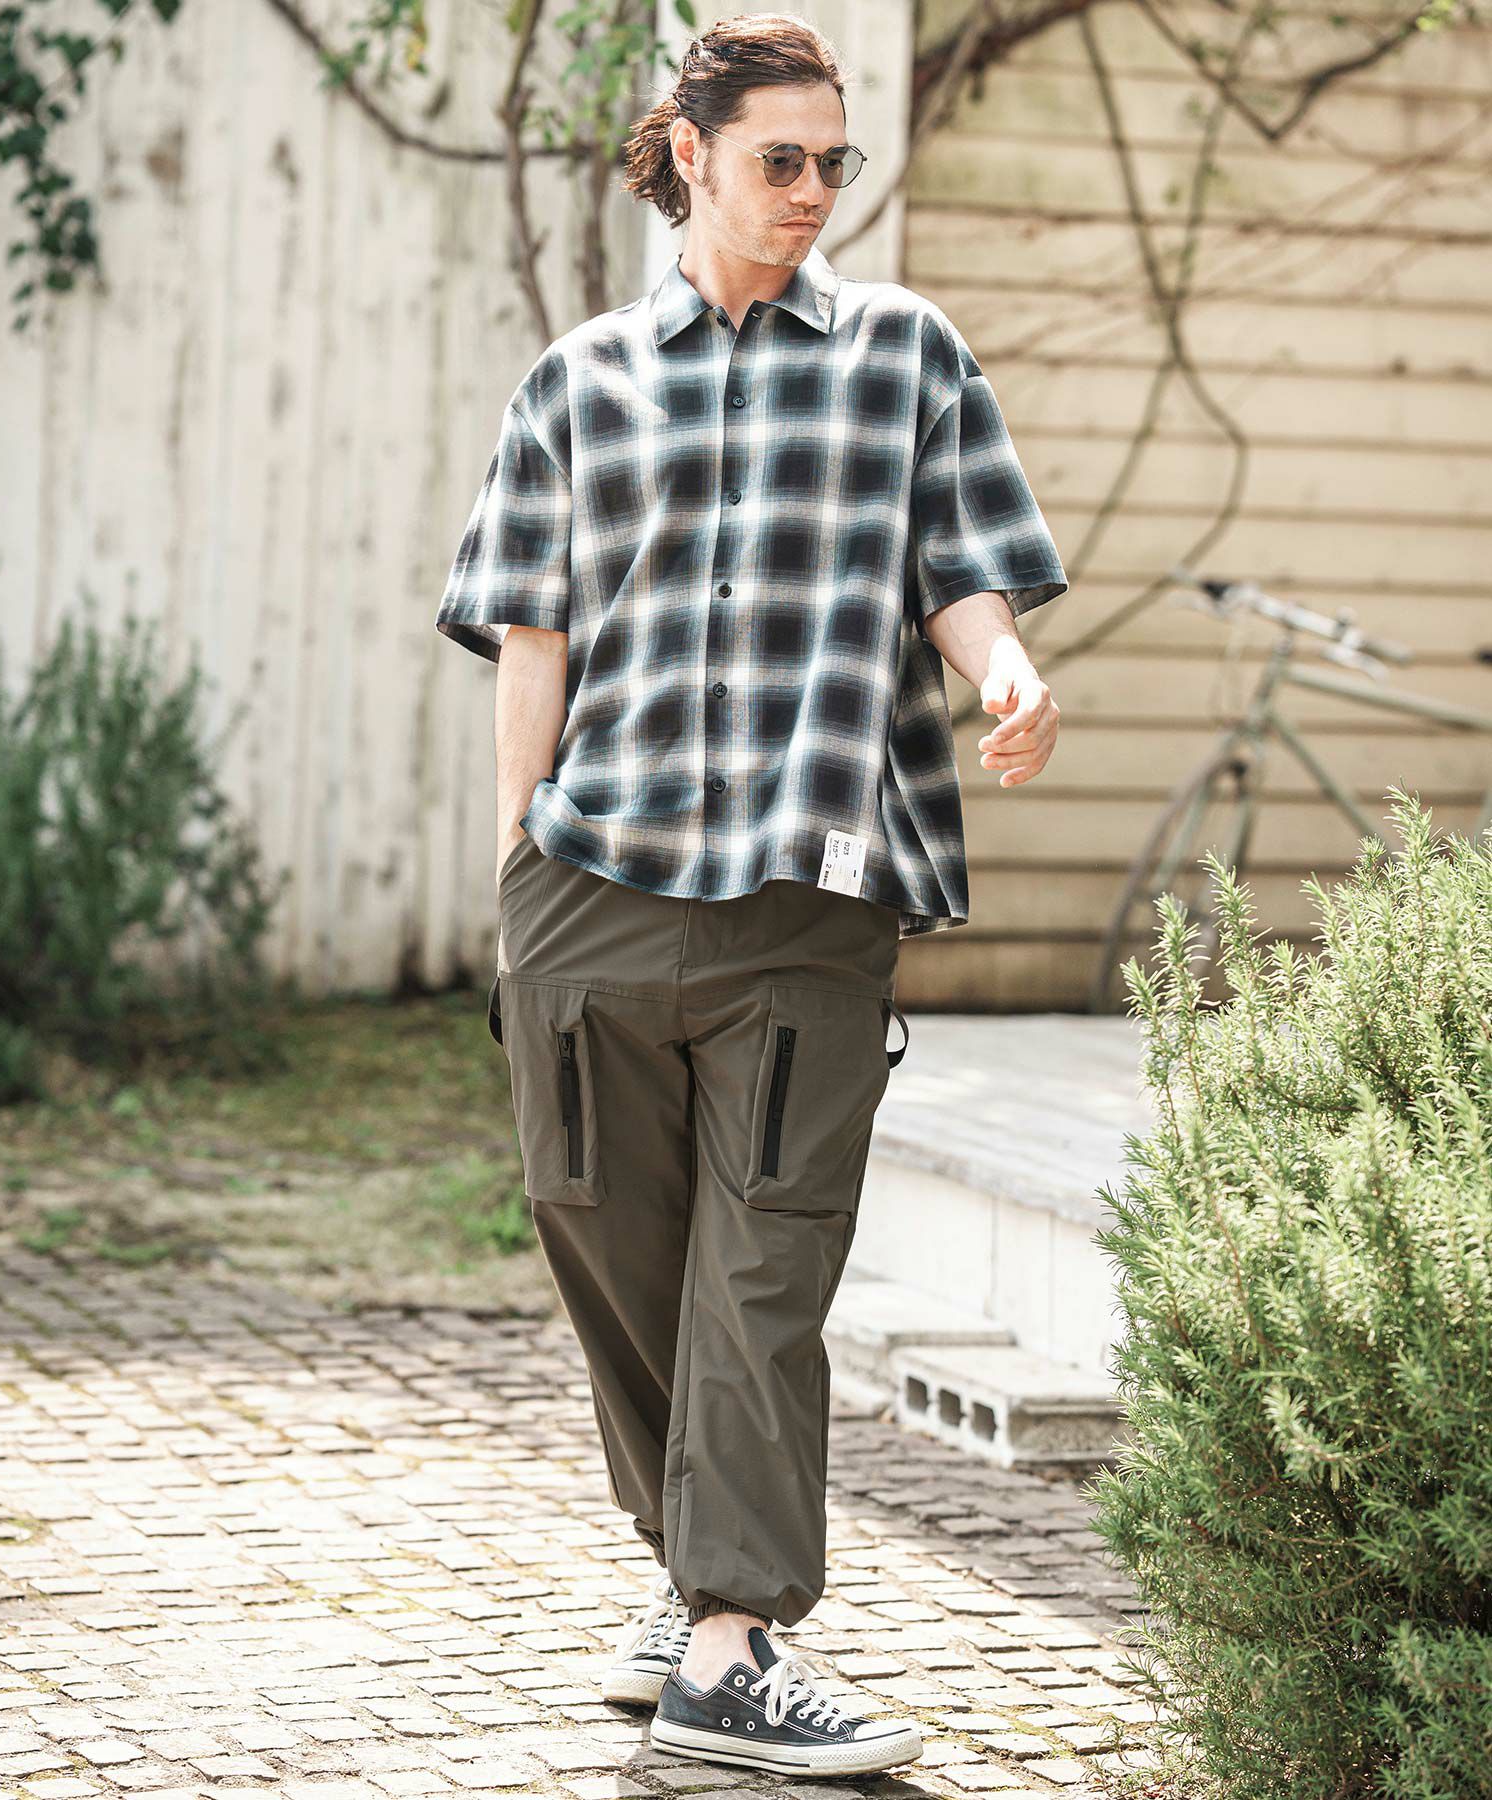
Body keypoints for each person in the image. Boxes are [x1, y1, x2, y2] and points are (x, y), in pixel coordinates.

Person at [434, 12, 1067, 1778]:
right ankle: (690, 1579)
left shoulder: (903, 355)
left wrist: (1007, 671)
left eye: (832, 162)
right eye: (781, 159)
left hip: (808, 889)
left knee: (762, 1271)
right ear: (692, 156)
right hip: (593, 885)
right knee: (610, 1245)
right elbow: (533, 638)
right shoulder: (575, 383)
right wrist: (514, 863)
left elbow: (964, 575)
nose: (811, 190)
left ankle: (728, 1640)